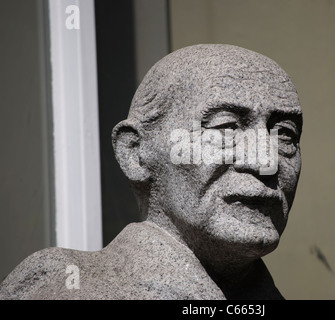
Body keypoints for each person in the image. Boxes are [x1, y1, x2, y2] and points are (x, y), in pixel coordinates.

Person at [0, 44, 303, 300]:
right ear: (135, 153)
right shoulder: (70, 287)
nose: (266, 161)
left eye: (285, 135)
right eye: (226, 127)